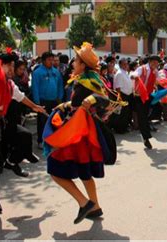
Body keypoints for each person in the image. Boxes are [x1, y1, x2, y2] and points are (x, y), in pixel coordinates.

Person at [44, 42, 121, 224]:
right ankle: (95, 207)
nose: (72, 64)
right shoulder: (83, 79)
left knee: (54, 170)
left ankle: (84, 202)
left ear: (83, 65)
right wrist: (66, 105)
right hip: (80, 131)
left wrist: (92, 98)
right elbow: (79, 102)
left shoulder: (90, 80)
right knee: (85, 173)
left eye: (76, 61)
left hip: (79, 133)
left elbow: (106, 99)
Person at [0, 50, 46, 214]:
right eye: (11, 66)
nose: (13, 69)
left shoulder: (9, 83)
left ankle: (12, 161)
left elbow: (20, 97)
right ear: (3, 65)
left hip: (1, 122)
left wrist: (36, 107)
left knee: (25, 136)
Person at [31, 52, 64, 148]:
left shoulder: (56, 72)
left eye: (52, 60)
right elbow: (35, 88)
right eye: (49, 60)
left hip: (55, 101)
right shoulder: (37, 72)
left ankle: (52, 139)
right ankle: (41, 141)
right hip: (42, 101)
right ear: (43, 60)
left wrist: (60, 98)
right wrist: (37, 103)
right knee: (42, 121)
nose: (52, 62)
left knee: (54, 120)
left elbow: (60, 85)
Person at [134, 55, 161, 149]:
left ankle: (146, 129)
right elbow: (134, 74)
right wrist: (134, 77)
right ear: (150, 61)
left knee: (152, 111)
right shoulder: (142, 68)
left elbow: (158, 81)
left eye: (157, 63)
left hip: (148, 95)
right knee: (142, 116)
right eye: (154, 62)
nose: (156, 64)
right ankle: (146, 137)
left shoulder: (155, 71)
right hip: (139, 95)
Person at [111, 58, 133, 134]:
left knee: (125, 113)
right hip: (122, 95)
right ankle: (120, 129)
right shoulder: (119, 73)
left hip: (127, 95)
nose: (126, 65)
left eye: (127, 64)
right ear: (120, 64)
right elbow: (118, 87)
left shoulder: (125, 73)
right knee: (121, 113)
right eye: (124, 64)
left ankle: (124, 127)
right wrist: (119, 98)